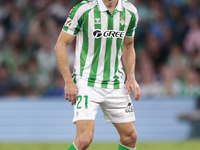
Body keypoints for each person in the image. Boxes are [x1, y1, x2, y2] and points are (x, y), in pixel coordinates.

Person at [55, 0, 141, 150]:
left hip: (115, 83)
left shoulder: (130, 12)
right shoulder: (83, 10)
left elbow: (128, 45)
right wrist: (69, 82)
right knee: (84, 140)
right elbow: (60, 45)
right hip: (87, 81)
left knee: (130, 137)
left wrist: (131, 76)